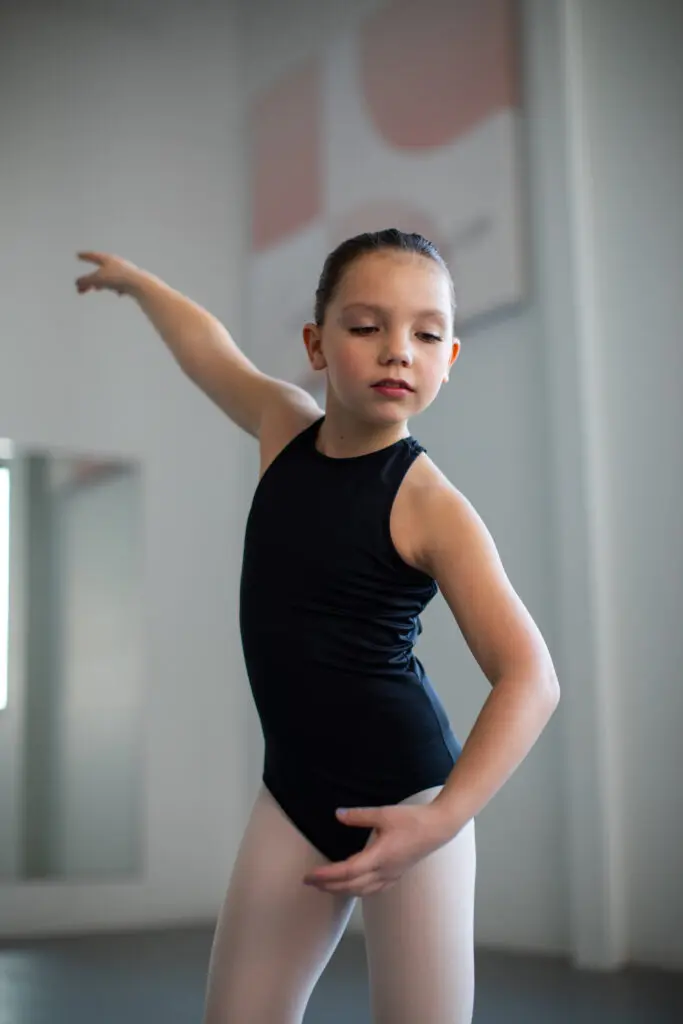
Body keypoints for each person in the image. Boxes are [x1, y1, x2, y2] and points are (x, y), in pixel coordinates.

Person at [75, 229, 560, 1024]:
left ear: (448, 359)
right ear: (317, 343)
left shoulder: (433, 506)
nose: (397, 351)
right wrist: (138, 283)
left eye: (426, 333)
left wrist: (440, 821)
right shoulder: (281, 429)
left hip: (406, 798)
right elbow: (212, 352)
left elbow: (530, 676)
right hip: (293, 795)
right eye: (366, 326)